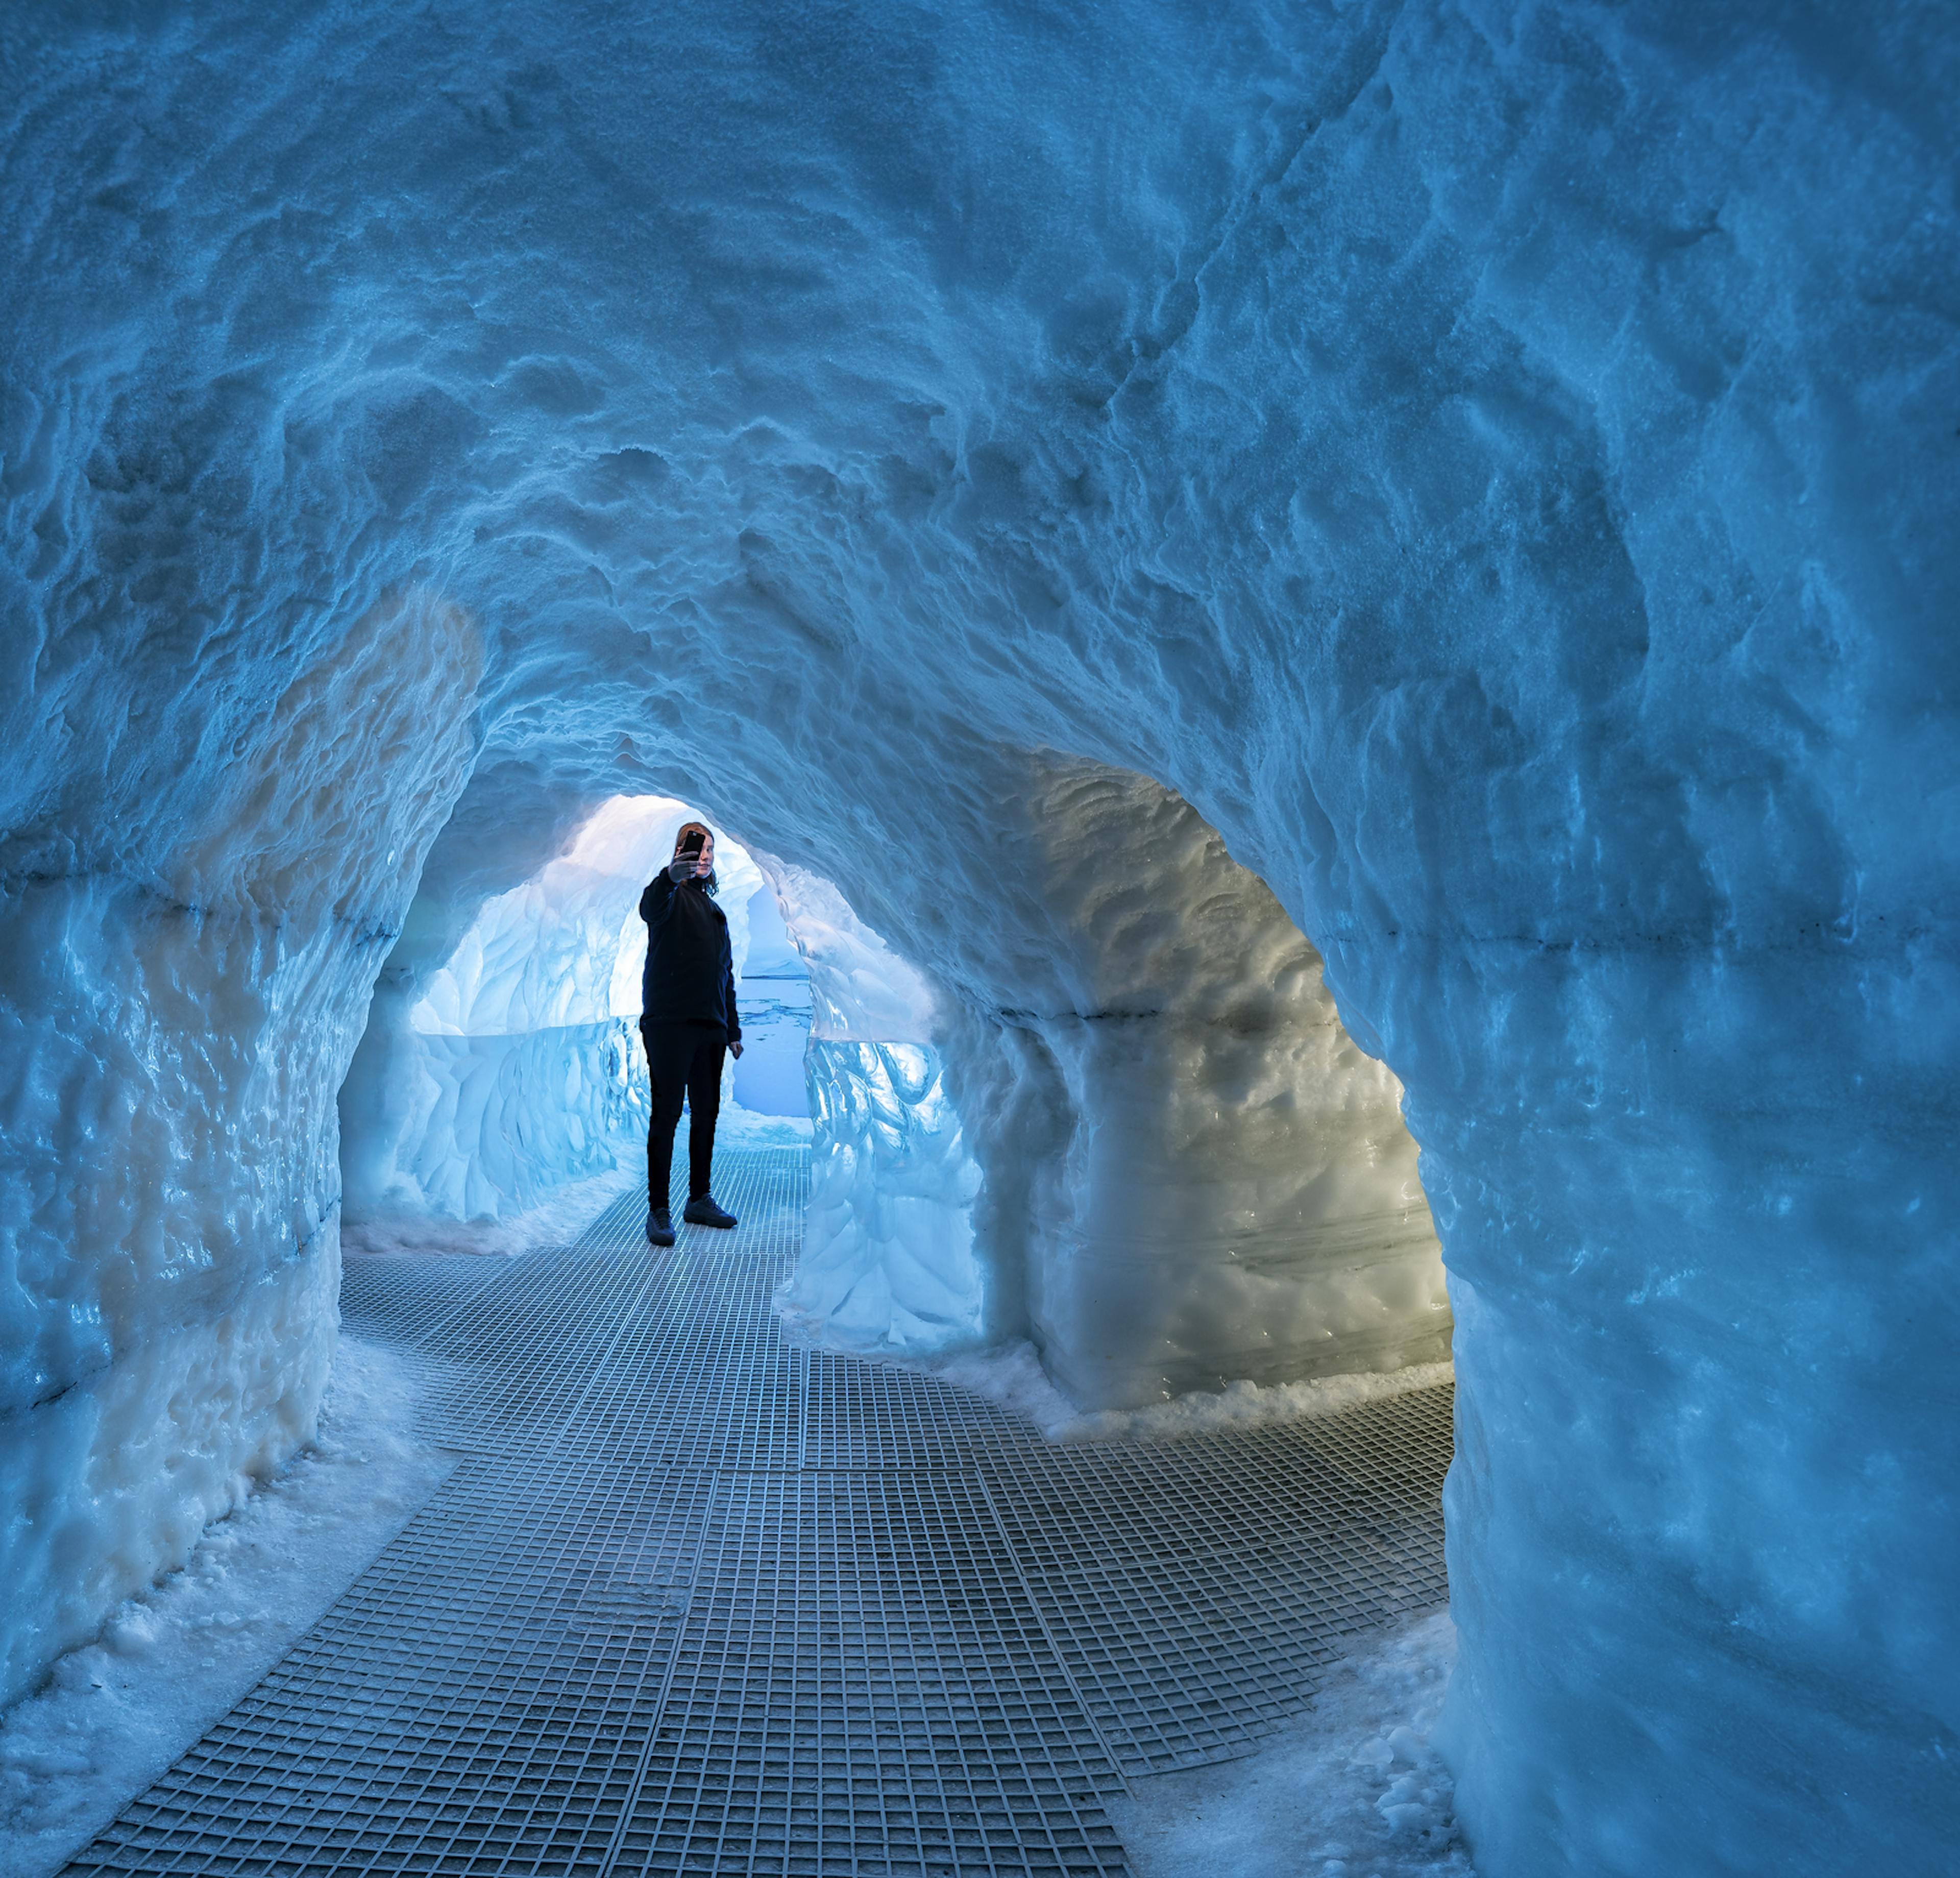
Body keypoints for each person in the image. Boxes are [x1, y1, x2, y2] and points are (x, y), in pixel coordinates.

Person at [638, 821, 744, 1245]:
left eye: (709, 851)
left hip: (711, 1029)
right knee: (666, 1115)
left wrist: (731, 1027)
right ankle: (658, 1210)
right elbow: (649, 907)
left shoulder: (717, 914)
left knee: (706, 1115)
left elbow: (725, 976)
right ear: (678, 851)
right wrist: (669, 877)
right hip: (669, 1022)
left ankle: (699, 1198)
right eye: (694, 847)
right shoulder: (669, 896)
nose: (703, 856)